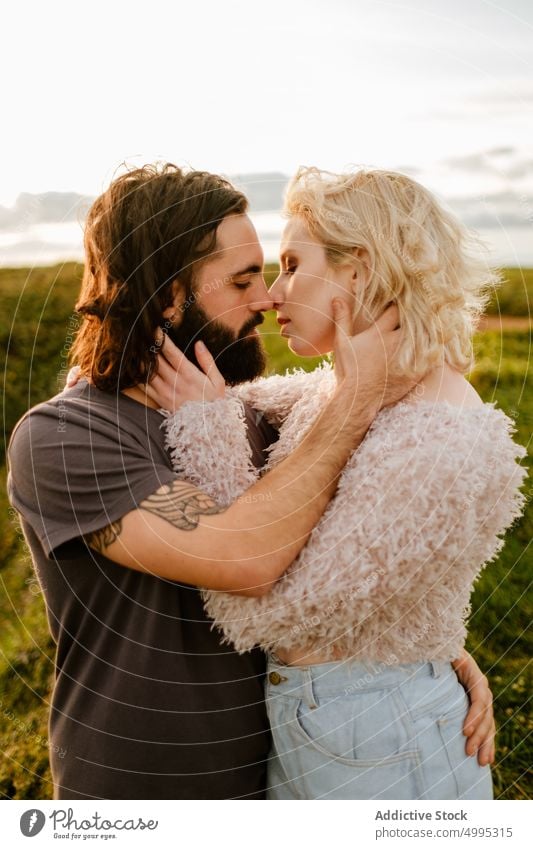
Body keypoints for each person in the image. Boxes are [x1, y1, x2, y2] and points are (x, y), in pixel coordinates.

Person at [7, 162, 419, 800]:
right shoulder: (66, 437)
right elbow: (245, 557)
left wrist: (437, 653)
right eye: (242, 279)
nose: (266, 299)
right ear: (169, 294)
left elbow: (335, 565)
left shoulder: (246, 414)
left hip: (287, 780)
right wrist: (355, 399)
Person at [145, 167, 526, 799]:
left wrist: (203, 425)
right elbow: (242, 401)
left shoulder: (442, 439)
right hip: (330, 729)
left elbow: (268, 611)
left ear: (358, 271)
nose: (274, 292)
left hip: (380, 740)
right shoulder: (341, 389)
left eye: (293, 264)